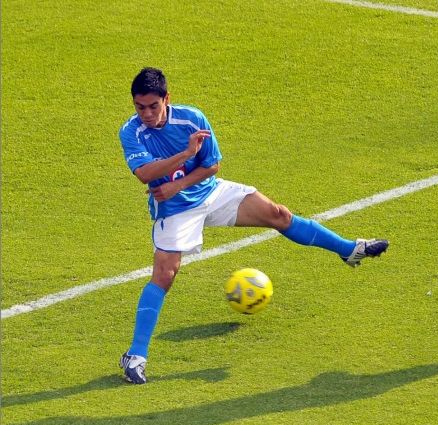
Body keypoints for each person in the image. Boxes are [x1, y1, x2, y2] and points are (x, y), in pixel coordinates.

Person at [118, 67, 389, 384]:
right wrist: (185, 154)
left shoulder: (192, 118)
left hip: (209, 193)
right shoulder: (131, 132)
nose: (147, 113)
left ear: (167, 98)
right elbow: (146, 174)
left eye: (153, 106)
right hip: (174, 209)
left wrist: (181, 180)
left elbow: (212, 165)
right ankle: (134, 357)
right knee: (164, 276)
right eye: (140, 107)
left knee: (279, 214)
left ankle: (349, 250)